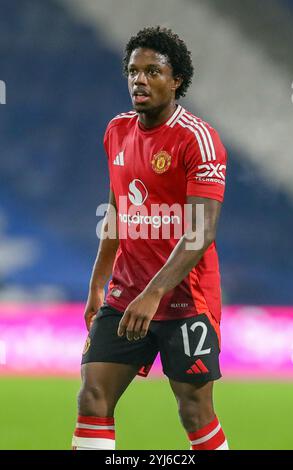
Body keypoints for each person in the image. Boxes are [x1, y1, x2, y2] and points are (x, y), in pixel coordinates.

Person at [72, 26, 228, 451]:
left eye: (152, 71)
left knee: (194, 411)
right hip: (126, 294)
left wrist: (155, 293)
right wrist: (97, 284)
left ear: (176, 80)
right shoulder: (117, 131)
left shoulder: (198, 139)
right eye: (133, 71)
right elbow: (116, 214)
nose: (139, 79)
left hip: (184, 299)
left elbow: (201, 230)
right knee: (92, 395)